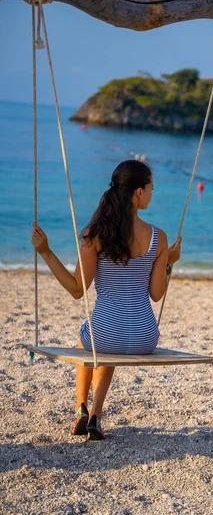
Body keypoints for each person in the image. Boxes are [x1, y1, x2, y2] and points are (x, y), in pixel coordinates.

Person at [31, 160, 182, 440]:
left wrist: (46, 252)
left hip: (105, 335)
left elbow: (77, 289)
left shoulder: (94, 235)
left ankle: (81, 408)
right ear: (138, 192)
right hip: (145, 338)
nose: (152, 193)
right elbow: (157, 294)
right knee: (110, 342)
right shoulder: (158, 238)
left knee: (92, 339)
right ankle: (97, 415)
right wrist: (170, 262)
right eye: (151, 188)